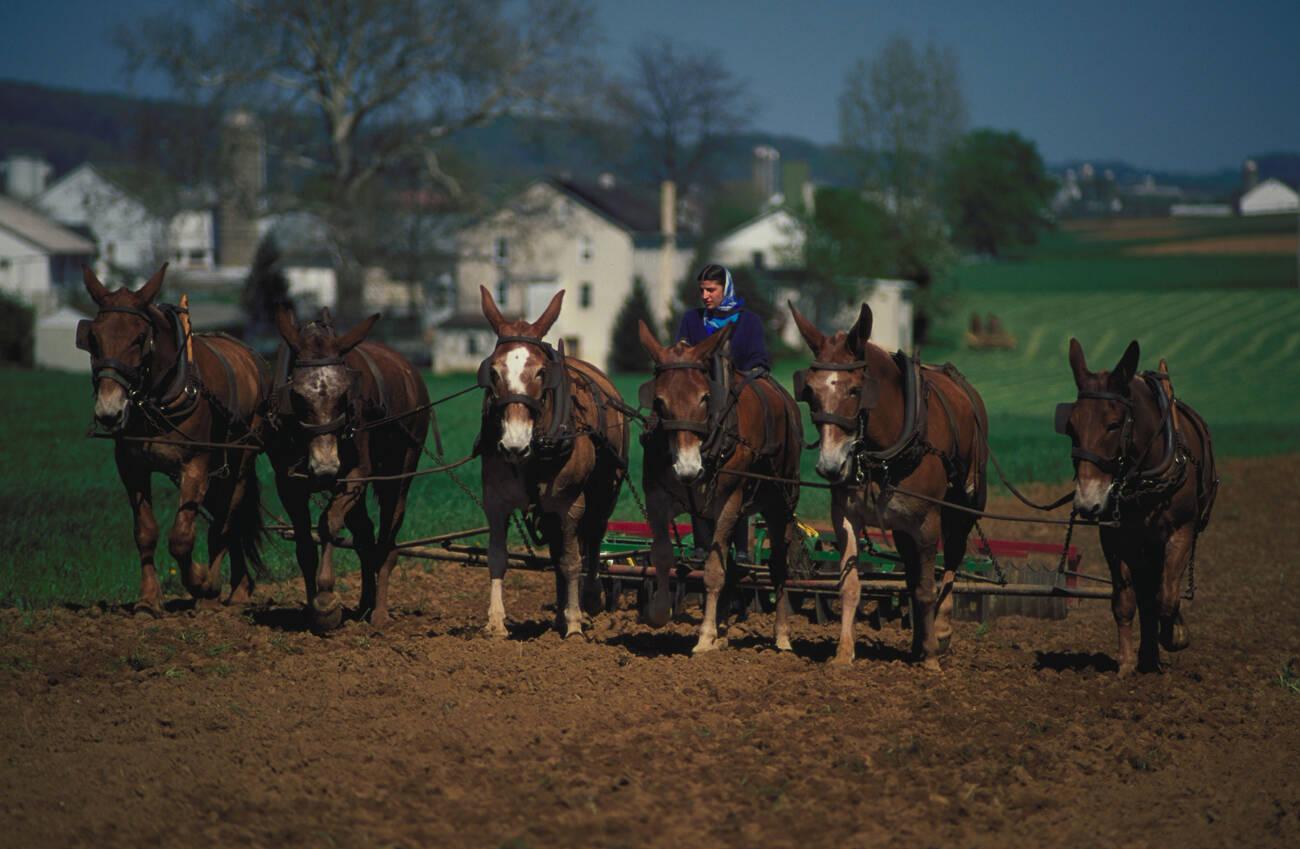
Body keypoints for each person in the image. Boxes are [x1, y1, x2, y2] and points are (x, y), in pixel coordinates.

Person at [675, 264, 771, 566]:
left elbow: (759, 361)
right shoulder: (691, 320)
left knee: (735, 477)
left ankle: (740, 547)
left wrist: (742, 380)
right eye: (702, 290)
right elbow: (682, 355)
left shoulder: (748, 322)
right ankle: (702, 545)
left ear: (725, 289)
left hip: (737, 401)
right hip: (700, 404)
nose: (705, 296)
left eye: (711, 290)